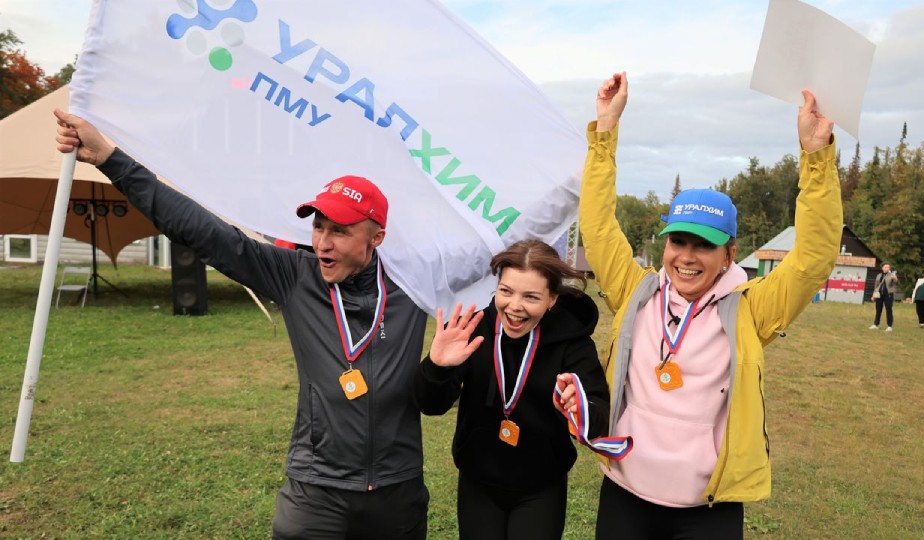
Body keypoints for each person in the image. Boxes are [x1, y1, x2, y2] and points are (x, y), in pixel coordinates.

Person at [54, 109, 431, 539]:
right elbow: (206, 233)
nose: (322, 244)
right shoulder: (295, 275)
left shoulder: (414, 283)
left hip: (396, 490)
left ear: (376, 237)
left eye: (340, 232)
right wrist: (110, 159)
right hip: (316, 490)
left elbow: (489, 261)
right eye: (318, 227)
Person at [574, 72, 841, 539]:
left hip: (707, 508)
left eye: (704, 245)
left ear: (729, 254)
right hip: (626, 494)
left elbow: (813, 258)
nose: (687, 257)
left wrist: (816, 157)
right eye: (678, 241)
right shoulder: (636, 291)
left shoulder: (750, 309)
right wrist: (605, 133)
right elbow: (597, 229)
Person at [412, 240, 609, 540]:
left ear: (552, 299)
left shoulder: (572, 342)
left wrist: (580, 409)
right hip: (478, 483)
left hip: (541, 487)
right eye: (506, 291)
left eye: (531, 297)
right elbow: (430, 405)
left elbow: (598, 414)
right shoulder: (475, 330)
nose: (515, 306)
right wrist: (437, 367)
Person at [870, 263, 899, 332]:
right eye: (885, 267)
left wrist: (895, 278)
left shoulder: (892, 275)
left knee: (888, 309)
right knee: (878, 309)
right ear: (882, 268)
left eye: (888, 267)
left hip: (888, 294)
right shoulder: (879, 275)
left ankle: (889, 326)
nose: (887, 268)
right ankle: (876, 324)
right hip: (879, 294)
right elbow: (876, 286)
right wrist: (873, 295)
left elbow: (896, 283)